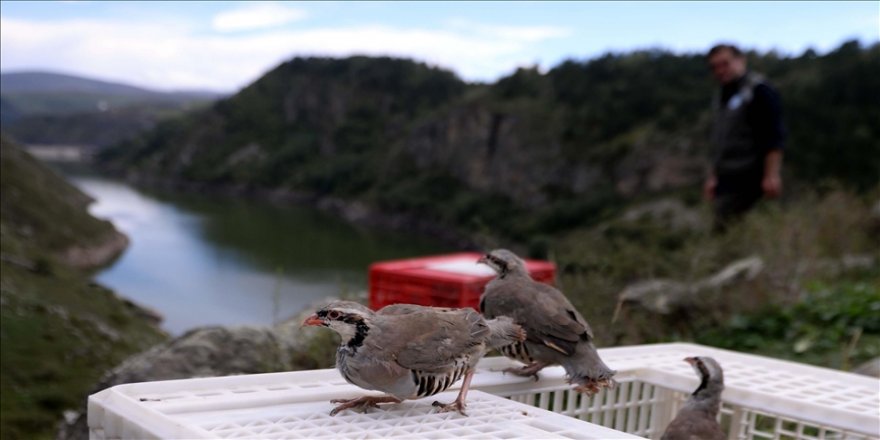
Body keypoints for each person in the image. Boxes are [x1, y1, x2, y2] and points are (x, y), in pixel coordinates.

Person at [703, 43, 785, 232]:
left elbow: (774, 135)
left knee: (733, 230)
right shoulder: (723, 95)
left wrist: (771, 175)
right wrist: (713, 176)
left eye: (725, 63)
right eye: (714, 67)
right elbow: (720, 140)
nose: (720, 70)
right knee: (723, 228)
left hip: (751, 177)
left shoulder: (759, 91)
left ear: (741, 61)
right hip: (726, 177)